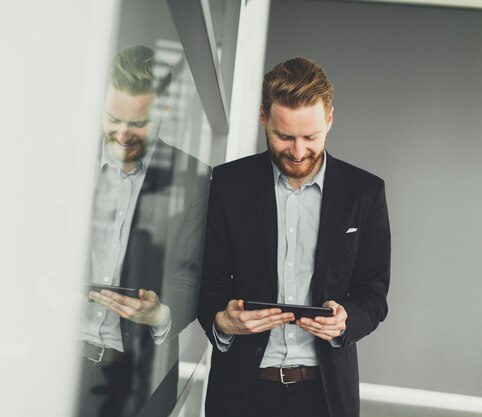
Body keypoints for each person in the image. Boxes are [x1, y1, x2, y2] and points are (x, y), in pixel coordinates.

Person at [197, 57, 391, 417]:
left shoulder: (365, 192)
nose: (299, 152)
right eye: (284, 136)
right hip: (240, 394)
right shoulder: (227, 185)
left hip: (326, 396)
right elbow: (208, 283)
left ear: (329, 119)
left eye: (310, 137)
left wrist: (345, 319)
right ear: (263, 119)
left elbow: (374, 294)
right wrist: (222, 321)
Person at [76, 45, 210, 417]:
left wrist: (161, 313)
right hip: (57, 365)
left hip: (137, 380)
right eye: (112, 118)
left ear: (165, 110)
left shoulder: (194, 179)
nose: (121, 134)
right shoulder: (69, 165)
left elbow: (190, 272)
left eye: (137, 123)